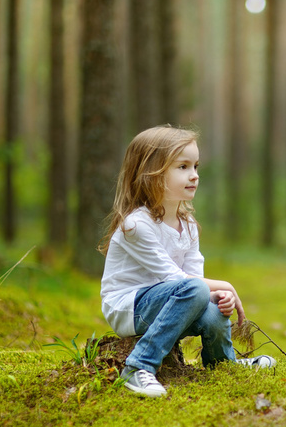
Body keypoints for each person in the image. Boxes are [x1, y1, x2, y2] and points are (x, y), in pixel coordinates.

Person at [99, 125, 276, 398]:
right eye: (182, 167)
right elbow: (179, 280)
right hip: (128, 308)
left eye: (195, 166)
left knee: (213, 306)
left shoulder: (188, 224)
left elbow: (193, 280)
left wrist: (217, 295)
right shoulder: (136, 224)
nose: (194, 176)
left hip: (171, 300)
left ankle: (223, 364)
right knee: (198, 289)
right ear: (151, 173)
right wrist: (225, 285)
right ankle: (138, 366)